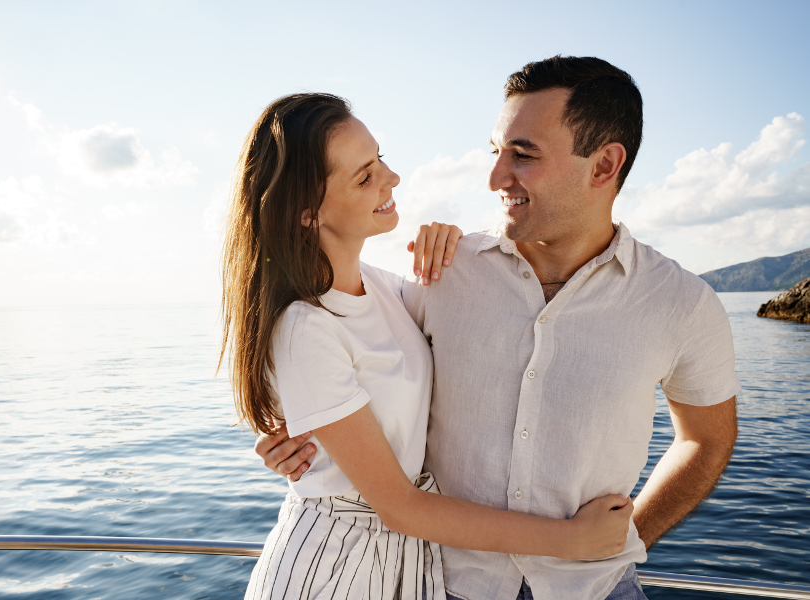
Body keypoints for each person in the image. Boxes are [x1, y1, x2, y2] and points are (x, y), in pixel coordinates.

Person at [257, 57, 741, 600]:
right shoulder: (440, 273)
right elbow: (331, 344)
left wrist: (625, 537)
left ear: (604, 165)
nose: (494, 178)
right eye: (496, 152)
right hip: (439, 586)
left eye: (523, 155)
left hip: (595, 589)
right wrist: (299, 433)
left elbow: (705, 439)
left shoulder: (682, 303)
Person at [220, 92, 634, 600]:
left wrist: (454, 244)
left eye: (381, 160)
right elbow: (399, 506)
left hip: (406, 561)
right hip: (336, 568)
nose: (390, 179)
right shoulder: (306, 328)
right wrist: (572, 541)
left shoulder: (381, 287)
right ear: (306, 213)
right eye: (364, 175)